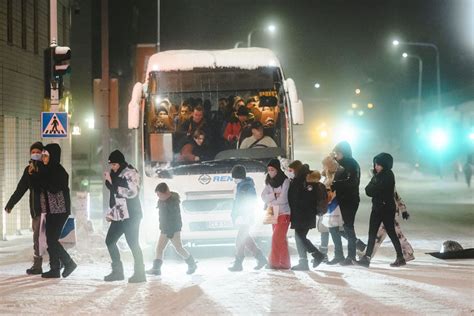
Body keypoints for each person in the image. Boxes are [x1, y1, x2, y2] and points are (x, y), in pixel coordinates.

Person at [103, 150, 146, 283]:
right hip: (119, 214)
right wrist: (111, 213)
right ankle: (117, 271)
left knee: (133, 243)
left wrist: (113, 185)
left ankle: (140, 273)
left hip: (132, 214)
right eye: (111, 165)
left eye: (115, 164)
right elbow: (115, 197)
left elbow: (133, 192)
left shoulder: (130, 172)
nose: (113, 167)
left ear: (121, 162)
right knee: (110, 241)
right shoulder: (114, 173)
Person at [358, 153, 406, 268]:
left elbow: (374, 190)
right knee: (372, 233)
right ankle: (367, 258)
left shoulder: (388, 175)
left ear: (385, 164)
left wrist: (375, 181)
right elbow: (368, 190)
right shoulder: (378, 175)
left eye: (378, 164)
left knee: (391, 233)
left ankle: (400, 257)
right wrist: (375, 180)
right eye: (375, 164)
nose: (376, 167)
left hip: (385, 208)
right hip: (378, 207)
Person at [4, 142, 45, 275]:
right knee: (37, 237)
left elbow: (41, 186)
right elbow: (21, 188)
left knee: (47, 237)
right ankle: (38, 265)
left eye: (38, 151)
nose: (35, 154)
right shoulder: (28, 170)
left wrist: (35, 174)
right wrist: (11, 203)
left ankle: (56, 262)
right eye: (33, 152)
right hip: (35, 210)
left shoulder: (46, 168)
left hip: (47, 209)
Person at [36, 144, 77, 278]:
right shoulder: (46, 170)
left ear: (53, 156)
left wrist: (42, 175)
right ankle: (55, 268)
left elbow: (53, 188)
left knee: (52, 239)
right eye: (43, 156)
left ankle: (69, 263)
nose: (43, 158)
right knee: (50, 239)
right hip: (49, 210)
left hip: (59, 210)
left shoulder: (60, 172)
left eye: (46, 155)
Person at [146, 183, 197, 276]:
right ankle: (156, 269)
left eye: (159, 194)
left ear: (166, 192)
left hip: (173, 229)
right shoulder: (162, 201)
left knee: (178, 248)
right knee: (159, 248)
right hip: (165, 229)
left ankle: (192, 264)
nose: (158, 197)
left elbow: (174, 219)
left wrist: (170, 232)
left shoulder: (173, 202)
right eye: (157, 195)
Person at [228, 165, 267, 271]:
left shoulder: (247, 187)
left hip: (246, 217)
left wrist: (246, 214)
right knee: (246, 239)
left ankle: (238, 263)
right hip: (242, 217)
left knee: (240, 240)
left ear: (238, 176)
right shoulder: (241, 186)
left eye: (235, 177)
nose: (234, 180)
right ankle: (261, 258)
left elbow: (251, 201)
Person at [287, 160, 325, 270]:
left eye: (291, 170)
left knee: (300, 237)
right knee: (299, 237)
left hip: (304, 213)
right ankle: (304, 261)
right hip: (300, 214)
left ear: (296, 169)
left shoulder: (307, 179)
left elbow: (306, 198)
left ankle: (316, 255)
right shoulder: (298, 179)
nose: (290, 172)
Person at [330, 141, 361, 265]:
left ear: (343, 153)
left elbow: (353, 182)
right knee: (333, 227)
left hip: (349, 200)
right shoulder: (336, 165)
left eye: (337, 153)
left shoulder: (352, 164)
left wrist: (336, 184)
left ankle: (351, 256)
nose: (336, 155)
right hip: (336, 200)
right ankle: (338, 255)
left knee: (348, 227)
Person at [261, 159, 291, 269]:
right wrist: (274, 195)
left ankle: (273, 263)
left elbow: (283, 199)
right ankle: (284, 263)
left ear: (277, 169)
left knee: (276, 238)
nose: (270, 172)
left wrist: (270, 198)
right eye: (268, 170)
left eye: (272, 169)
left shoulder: (285, 181)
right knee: (280, 239)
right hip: (272, 211)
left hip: (284, 212)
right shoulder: (268, 181)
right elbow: (263, 197)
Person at [369, 190, 414, 261]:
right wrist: (403, 210)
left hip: (389, 211)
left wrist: (403, 210)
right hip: (387, 210)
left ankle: (368, 255)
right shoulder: (387, 180)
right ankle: (368, 255)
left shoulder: (384, 180)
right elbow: (396, 196)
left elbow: (395, 195)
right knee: (381, 234)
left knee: (394, 234)